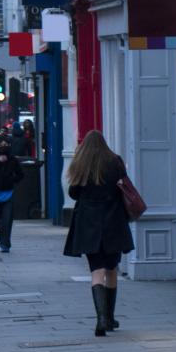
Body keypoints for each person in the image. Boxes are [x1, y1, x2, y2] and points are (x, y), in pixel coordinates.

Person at [63, 130, 134, 337]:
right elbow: (124, 186)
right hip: (113, 222)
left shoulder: (81, 164)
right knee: (111, 269)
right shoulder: (115, 161)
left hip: (89, 225)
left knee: (96, 271)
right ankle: (109, 318)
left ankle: (101, 318)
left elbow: (73, 193)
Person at [0, 137, 24, 252]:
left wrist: (12, 180)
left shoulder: (13, 159)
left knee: (6, 221)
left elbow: (20, 174)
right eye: (0, 145)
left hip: (8, 193)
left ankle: (5, 244)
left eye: (5, 144)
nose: (3, 147)